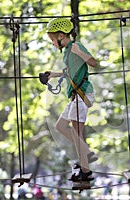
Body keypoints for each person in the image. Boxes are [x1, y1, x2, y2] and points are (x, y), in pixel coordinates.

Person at [45, 18, 98, 183]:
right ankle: (86, 153)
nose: (53, 43)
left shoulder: (75, 47)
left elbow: (94, 63)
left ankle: (86, 170)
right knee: (60, 126)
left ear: (61, 36)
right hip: (75, 96)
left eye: (53, 40)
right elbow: (69, 72)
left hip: (82, 94)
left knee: (77, 133)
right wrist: (53, 74)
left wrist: (80, 52)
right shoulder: (67, 51)